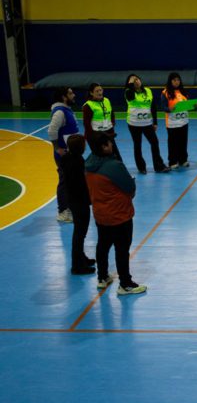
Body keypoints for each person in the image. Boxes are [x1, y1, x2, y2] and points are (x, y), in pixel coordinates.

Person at [85, 133, 147, 295]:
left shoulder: (89, 163)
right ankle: (125, 284)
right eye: (109, 143)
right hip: (119, 214)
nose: (112, 145)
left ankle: (102, 277)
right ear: (104, 147)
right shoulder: (114, 166)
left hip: (100, 213)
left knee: (103, 245)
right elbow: (129, 187)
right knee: (122, 249)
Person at [61, 134, 96, 275]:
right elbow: (82, 184)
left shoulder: (67, 158)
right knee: (80, 233)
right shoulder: (78, 162)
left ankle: (81, 257)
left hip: (73, 200)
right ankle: (77, 265)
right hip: (79, 201)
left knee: (79, 232)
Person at [124, 74, 170, 173]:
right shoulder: (128, 92)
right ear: (130, 83)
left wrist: (155, 122)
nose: (136, 82)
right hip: (134, 124)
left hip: (147, 123)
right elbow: (131, 97)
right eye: (133, 81)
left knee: (154, 142)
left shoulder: (148, 91)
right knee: (137, 145)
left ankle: (159, 166)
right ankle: (141, 168)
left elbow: (153, 107)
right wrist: (130, 84)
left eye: (137, 79)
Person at [48, 86, 79, 222]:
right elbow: (51, 130)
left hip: (71, 153)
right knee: (65, 182)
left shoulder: (66, 110)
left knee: (71, 181)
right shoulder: (60, 112)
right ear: (63, 97)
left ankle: (70, 208)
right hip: (64, 154)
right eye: (71, 93)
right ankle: (62, 212)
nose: (74, 95)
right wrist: (57, 148)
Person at [82, 83, 122, 161]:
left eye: (100, 90)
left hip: (108, 133)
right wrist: (93, 137)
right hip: (96, 136)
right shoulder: (88, 105)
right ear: (91, 93)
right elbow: (86, 124)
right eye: (97, 91)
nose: (100, 93)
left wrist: (112, 125)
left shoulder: (107, 100)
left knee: (116, 157)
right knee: (101, 158)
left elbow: (111, 113)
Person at [161, 72, 191, 168]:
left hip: (184, 121)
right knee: (173, 143)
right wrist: (169, 109)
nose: (177, 82)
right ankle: (173, 161)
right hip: (172, 123)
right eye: (174, 80)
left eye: (178, 80)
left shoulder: (183, 91)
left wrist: (192, 105)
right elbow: (163, 107)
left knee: (183, 142)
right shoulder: (165, 92)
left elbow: (187, 104)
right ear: (170, 81)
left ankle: (183, 160)